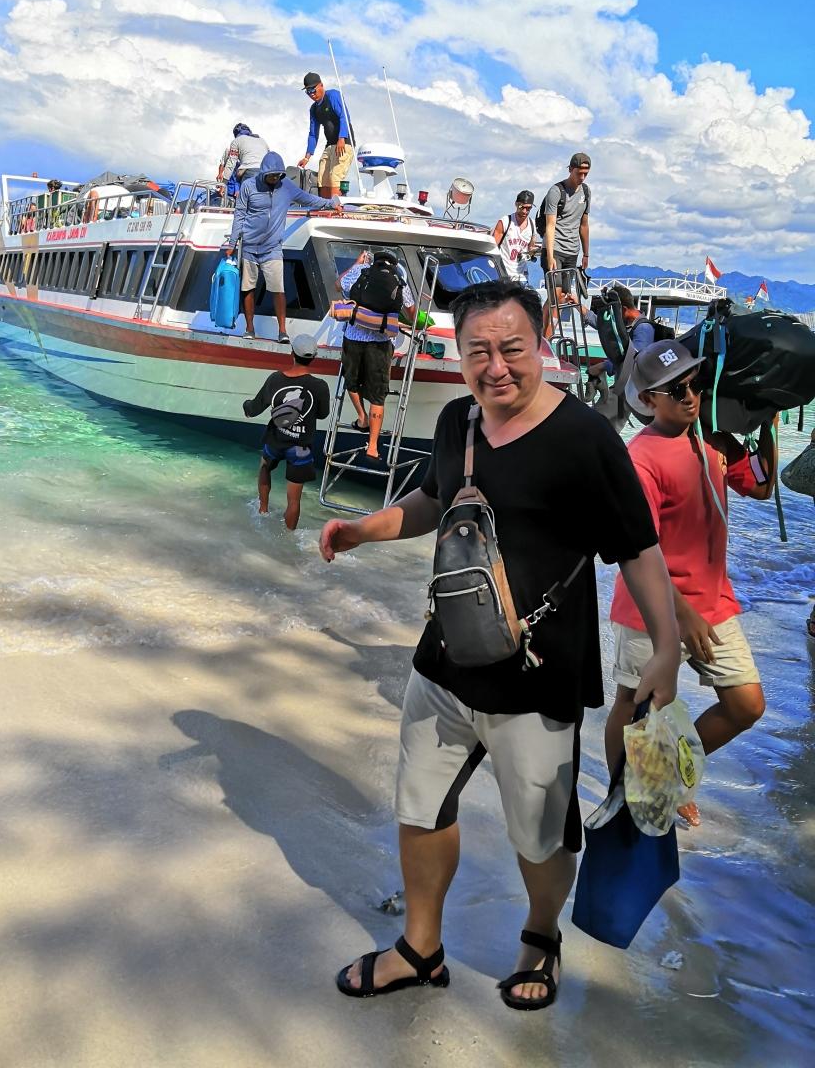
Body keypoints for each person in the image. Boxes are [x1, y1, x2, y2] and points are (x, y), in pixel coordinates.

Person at [319, 278, 680, 1011]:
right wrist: (362, 530)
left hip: (540, 675)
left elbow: (639, 551)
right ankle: (420, 949)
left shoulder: (586, 439)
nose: (496, 367)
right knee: (420, 806)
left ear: (540, 344)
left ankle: (541, 936)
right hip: (445, 657)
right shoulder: (458, 421)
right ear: (458, 353)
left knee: (540, 834)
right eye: (477, 351)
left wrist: (666, 648)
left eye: (512, 348)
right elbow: (432, 500)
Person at [604, 340, 773, 826]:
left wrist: (767, 424)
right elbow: (641, 550)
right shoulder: (640, 460)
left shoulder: (713, 442)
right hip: (651, 607)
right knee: (636, 705)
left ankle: (668, 773)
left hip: (714, 602)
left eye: (694, 384)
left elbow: (762, 486)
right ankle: (626, 796)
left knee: (746, 705)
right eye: (675, 390)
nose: (689, 396)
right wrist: (682, 614)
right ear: (648, 400)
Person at [226, 151, 342, 344]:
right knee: (248, 288)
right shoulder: (248, 186)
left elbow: (308, 199)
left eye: (278, 175)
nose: (275, 178)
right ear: (263, 173)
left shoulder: (286, 186)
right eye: (271, 175)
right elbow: (239, 215)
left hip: (272, 248)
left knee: (278, 289)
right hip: (249, 247)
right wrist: (232, 243)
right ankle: (249, 328)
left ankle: (282, 331)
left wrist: (331, 203)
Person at [243, 333, 331, 529]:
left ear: (292, 353)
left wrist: (246, 406)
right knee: (294, 501)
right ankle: (290, 534)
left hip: (275, 441)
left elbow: (254, 408)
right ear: (314, 357)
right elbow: (323, 414)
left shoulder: (275, 379)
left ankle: (263, 511)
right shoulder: (320, 386)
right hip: (300, 448)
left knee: (265, 467)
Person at [336, 249, 415, 460]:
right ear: (394, 264)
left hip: (354, 336)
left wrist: (356, 263)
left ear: (374, 261)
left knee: (351, 381)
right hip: (381, 342)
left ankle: (362, 418)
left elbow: (338, 285)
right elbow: (411, 312)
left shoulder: (360, 271)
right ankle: (372, 446)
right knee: (378, 394)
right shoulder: (399, 280)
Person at [539, 153, 592, 335]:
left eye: (585, 174)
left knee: (561, 298)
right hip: (554, 249)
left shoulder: (586, 192)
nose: (582, 177)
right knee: (555, 296)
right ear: (570, 170)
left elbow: (584, 224)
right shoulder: (556, 191)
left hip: (572, 251)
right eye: (579, 173)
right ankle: (545, 339)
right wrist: (550, 256)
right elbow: (550, 225)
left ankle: (543, 334)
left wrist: (586, 253)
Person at [298, 72, 355, 198]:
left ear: (321, 85)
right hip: (329, 145)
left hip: (344, 143)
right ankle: (325, 206)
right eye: (308, 91)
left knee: (335, 176)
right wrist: (307, 157)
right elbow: (313, 133)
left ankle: (336, 207)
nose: (311, 94)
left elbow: (344, 116)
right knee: (322, 178)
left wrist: (342, 138)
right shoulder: (314, 109)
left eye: (313, 90)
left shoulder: (333, 96)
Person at [492, 191, 537, 280]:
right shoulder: (505, 222)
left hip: (522, 275)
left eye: (528, 208)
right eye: (522, 207)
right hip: (503, 273)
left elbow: (531, 248)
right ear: (516, 204)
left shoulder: (533, 225)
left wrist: (533, 252)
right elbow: (493, 247)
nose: (524, 211)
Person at [218, 123, 269, 194]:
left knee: (246, 199)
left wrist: (223, 185)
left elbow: (230, 165)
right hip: (266, 174)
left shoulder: (237, 141)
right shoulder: (262, 141)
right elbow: (270, 158)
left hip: (250, 173)